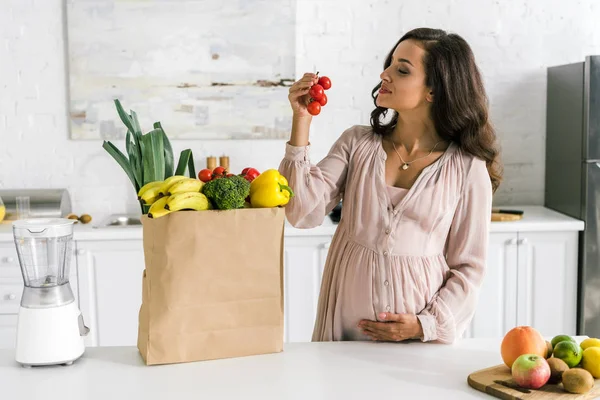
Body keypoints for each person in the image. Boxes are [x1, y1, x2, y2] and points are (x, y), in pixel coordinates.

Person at [278, 27, 502, 344]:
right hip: (345, 331)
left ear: (434, 91)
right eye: (390, 63)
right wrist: (301, 120)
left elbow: (469, 269)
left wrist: (424, 325)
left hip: (418, 340)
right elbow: (300, 211)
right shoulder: (356, 143)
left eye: (402, 69)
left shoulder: (467, 168)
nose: (385, 74)